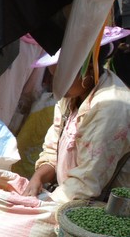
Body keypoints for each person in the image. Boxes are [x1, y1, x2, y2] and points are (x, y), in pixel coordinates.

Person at [25, 28, 130, 203]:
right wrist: (38, 177)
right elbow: (53, 150)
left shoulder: (110, 108)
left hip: (108, 205)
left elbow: (87, 181)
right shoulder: (72, 95)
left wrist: (43, 205)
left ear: (88, 70)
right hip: (72, 196)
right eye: (52, 77)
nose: (54, 85)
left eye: (61, 77)